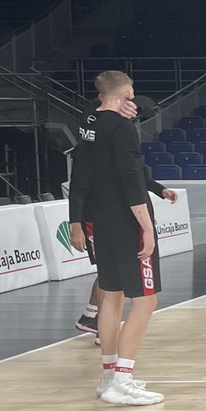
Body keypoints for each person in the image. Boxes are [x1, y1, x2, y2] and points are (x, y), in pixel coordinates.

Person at [66, 70, 167, 406]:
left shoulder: (88, 121)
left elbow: (82, 173)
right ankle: (123, 380)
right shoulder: (122, 128)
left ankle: (109, 376)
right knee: (146, 301)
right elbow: (130, 178)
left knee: (110, 297)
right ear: (127, 94)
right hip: (127, 221)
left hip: (100, 220)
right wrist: (147, 227)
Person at [74, 95, 174, 344]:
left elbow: (136, 173)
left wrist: (159, 189)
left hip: (116, 215)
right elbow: (77, 187)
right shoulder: (90, 136)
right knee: (113, 280)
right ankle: (97, 322)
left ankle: (93, 317)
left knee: (112, 279)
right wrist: (75, 223)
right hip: (97, 216)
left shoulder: (119, 139)